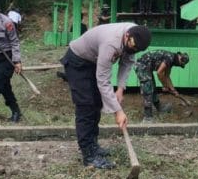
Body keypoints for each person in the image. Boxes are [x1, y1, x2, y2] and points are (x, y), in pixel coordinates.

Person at [60, 23, 152, 169]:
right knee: (86, 106)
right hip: (77, 61)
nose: (132, 50)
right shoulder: (111, 43)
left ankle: (93, 146)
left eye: (136, 50)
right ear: (127, 36)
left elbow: (127, 64)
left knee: (97, 103)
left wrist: (120, 89)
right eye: (131, 47)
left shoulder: (136, 36)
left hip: (93, 61)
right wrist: (118, 111)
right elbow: (103, 80)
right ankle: (88, 156)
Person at [133, 50, 190, 122]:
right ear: (180, 59)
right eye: (180, 64)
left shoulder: (171, 60)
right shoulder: (170, 58)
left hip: (147, 67)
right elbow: (159, 73)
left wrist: (173, 90)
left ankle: (159, 108)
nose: (179, 66)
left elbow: (167, 76)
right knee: (148, 89)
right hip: (141, 65)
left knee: (152, 87)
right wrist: (165, 86)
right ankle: (147, 117)